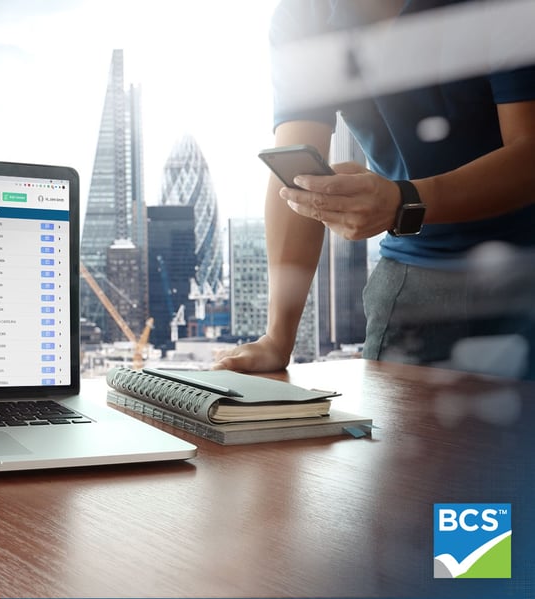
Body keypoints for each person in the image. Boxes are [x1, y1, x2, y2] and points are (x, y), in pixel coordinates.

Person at [214, 0, 535, 378]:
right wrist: (277, 339)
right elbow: (296, 180)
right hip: (413, 274)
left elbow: (529, 154)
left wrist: (404, 201)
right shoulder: (304, 17)